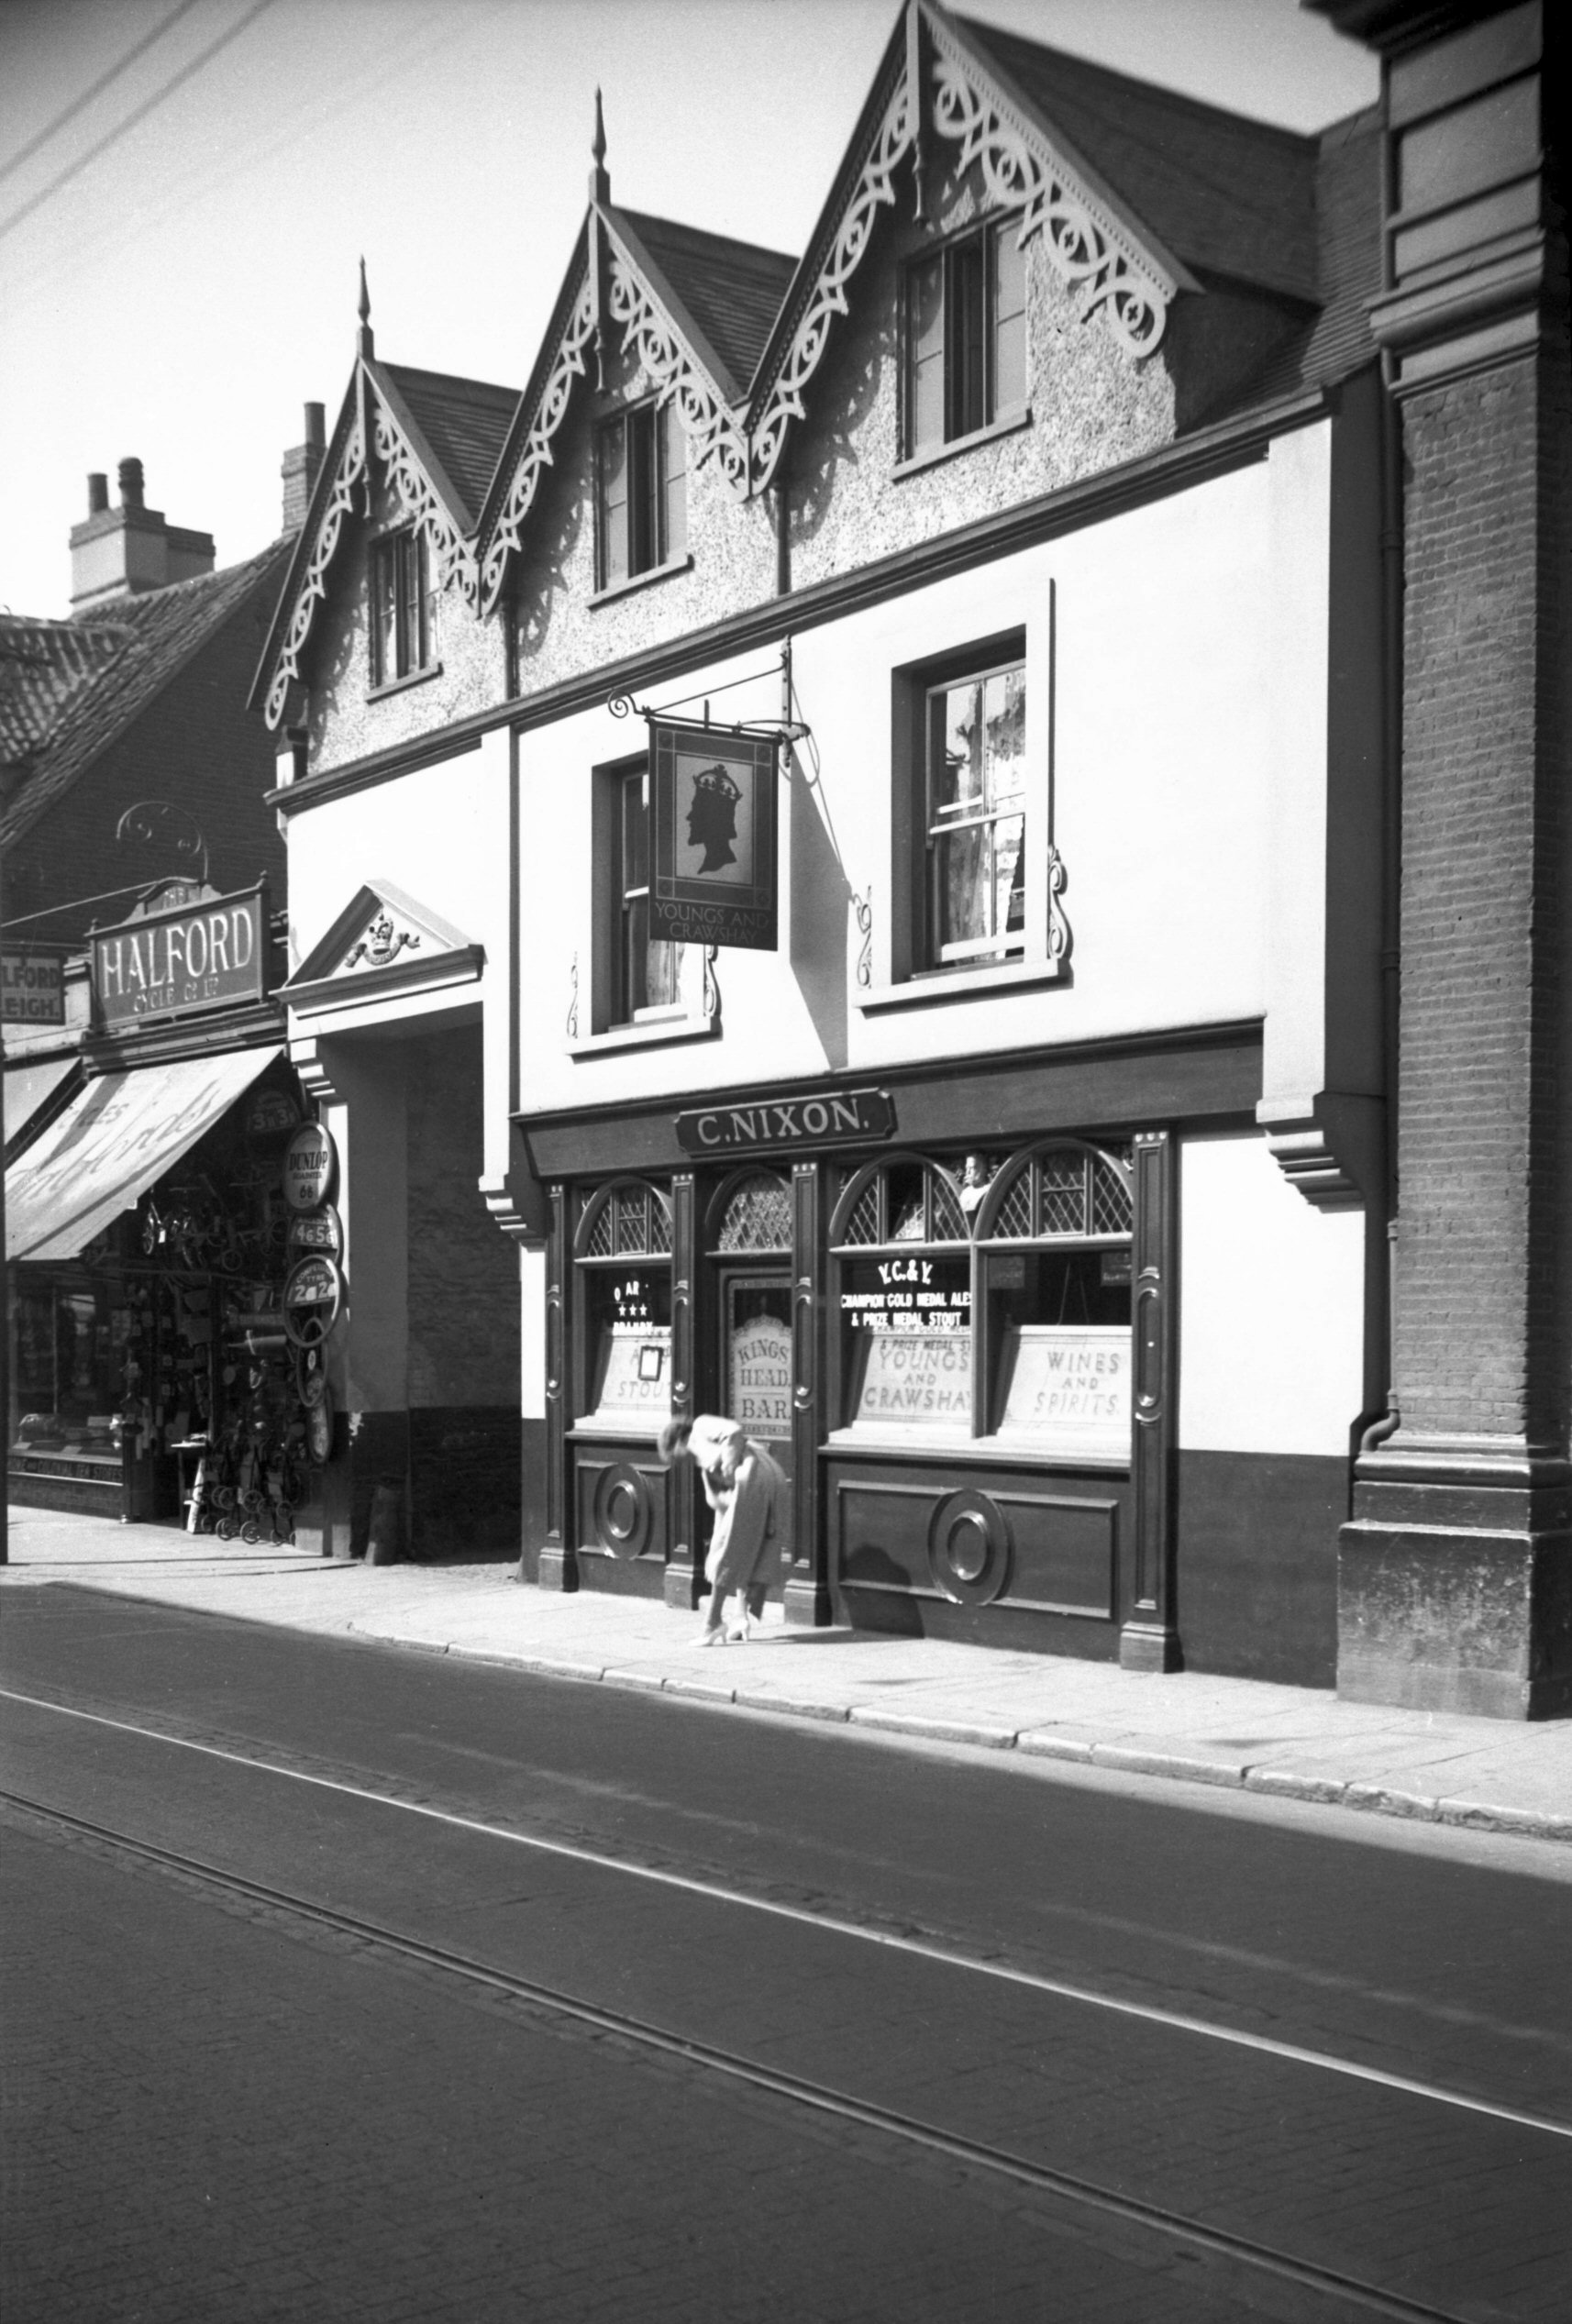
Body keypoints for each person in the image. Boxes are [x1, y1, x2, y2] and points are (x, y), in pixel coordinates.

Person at [659, 1411, 785, 1645]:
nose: (679, 1462)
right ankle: (740, 1616)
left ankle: (712, 1623)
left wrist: (728, 1466)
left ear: (677, 1440)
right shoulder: (702, 1463)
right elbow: (717, 1502)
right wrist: (726, 1490)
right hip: (761, 1484)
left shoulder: (699, 1427)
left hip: (753, 1481)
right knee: (745, 1551)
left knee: (724, 1551)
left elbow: (733, 1431)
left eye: (674, 1455)